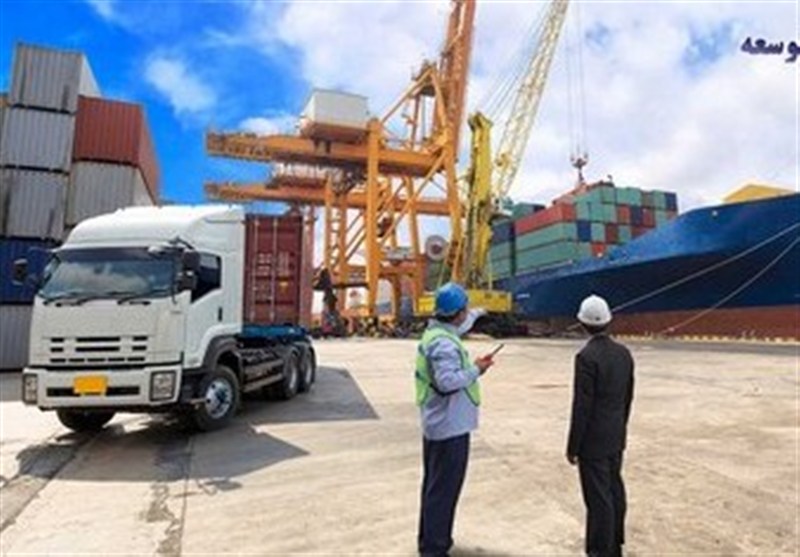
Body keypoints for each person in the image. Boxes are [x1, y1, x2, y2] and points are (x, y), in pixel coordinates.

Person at [415, 282, 494, 557]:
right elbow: (447, 382)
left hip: (439, 425)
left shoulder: (437, 331)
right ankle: (434, 549)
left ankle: (431, 541)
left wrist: (481, 311)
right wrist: (477, 369)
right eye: (466, 309)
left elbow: (461, 326)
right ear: (458, 312)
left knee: (435, 488)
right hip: (449, 428)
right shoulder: (443, 344)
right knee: (444, 492)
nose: (467, 313)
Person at [567, 294, 635, 557]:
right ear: (608, 320)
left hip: (593, 442)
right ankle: (615, 544)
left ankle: (600, 550)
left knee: (598, 499)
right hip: (615, 436)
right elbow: (628, 397)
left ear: (583, 324)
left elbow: (582, 407)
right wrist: (620, 428)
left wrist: (573, 446)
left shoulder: (586, 357)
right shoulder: (624, 354)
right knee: (614, 489)